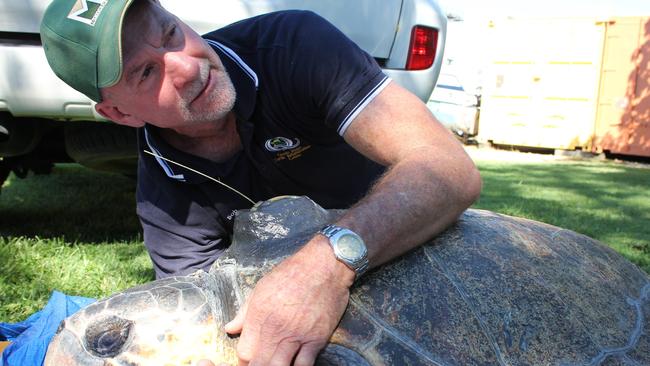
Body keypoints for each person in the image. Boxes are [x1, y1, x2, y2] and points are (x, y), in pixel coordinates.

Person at [40, 0, 482, 364]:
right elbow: (208, 327)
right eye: (146, 72)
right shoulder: (165, 196)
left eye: (170, 33)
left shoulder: (295, 47)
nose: (188, 67)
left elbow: (447, 167)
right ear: (120, 115)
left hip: (434, 262)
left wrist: (324, 268)